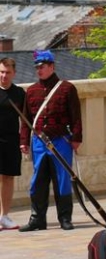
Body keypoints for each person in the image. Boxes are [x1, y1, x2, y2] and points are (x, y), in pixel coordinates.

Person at [19, 50, 82, 231]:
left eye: (43, 66)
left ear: (52, 66)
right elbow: (26, 120)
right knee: (38, 180)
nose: (39, 70)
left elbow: (76, 116)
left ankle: (65, 218)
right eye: (37, 67)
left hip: (61, 141)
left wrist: (76, 138)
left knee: (62, 180)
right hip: (39, 142)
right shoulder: (31, 91)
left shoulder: (67, 88)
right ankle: (37, 218)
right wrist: (24, 141)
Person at [0, 56, 25, 230]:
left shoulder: (19, 94)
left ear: (14, 73)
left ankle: (5, 216)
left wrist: (24, 141)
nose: (4, 76)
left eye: (7, 72)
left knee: (8, 177)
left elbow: (25, 120)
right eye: (1, 72)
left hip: (11, 140)